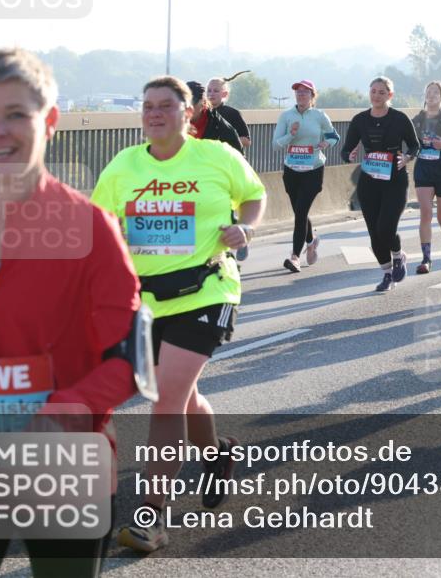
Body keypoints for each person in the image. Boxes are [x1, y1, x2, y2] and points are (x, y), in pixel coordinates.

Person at [0, 49, 142, 577]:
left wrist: (63, 412)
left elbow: (128, 357)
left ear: (49, 121)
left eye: (15, 114)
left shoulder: (92, 228)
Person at [93, 75, 266, 552]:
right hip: (146, 298)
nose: (154, 113)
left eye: (166, 106)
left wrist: (244, 228)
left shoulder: (216, 157)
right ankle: (215, 456)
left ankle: (152, 520)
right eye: (147, 106)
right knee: (182, 394)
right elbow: (100, 225)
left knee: (166, 396)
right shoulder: (123, 166)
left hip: (208, 288)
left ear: (187, 114)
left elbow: (254, 196)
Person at [341, 77, 420, 292]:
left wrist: (407, 157)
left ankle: (398, 255)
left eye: (382, 92)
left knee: (386, 227)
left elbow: (415, 145)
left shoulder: (399, 118)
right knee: (374, 232)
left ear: (390, 95)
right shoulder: (360, 120)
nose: (376, 96)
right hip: (369, 182)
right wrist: (350, 155)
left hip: (395, 179)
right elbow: (345, 150)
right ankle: (386, 274)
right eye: (373, 91)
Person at [272, 79, 340, 272]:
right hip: (292, 170)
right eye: (298, 92)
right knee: (299, 212)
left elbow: (334, 136)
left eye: (305, 92)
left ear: (312, 96)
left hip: (313, 169)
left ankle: (294, 257)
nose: (301, 95)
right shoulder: (286, 116)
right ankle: (311, 241)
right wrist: (290, 135)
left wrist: (327, 144)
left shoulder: (319, 116)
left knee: (301, 212)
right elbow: (276, 145)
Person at [411, 81, 441, 274]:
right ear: (424, 96)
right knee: (425, 213)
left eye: (435, 92)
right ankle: (426, 259)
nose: (431, 95)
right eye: (428, 92)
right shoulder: (417, 120)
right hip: (423, 168)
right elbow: (409, 143)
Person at [186, 81, 243, 154]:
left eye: (192, 102)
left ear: (203, 102)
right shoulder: (173, 125)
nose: (188, 107)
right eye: (183, 103)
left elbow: (239, 159)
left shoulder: (221, 128)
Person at [206, 71, 252, 148]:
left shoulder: (232, 113)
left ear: (225, 94)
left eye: (216, 91)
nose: (211, 94)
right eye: (209, 90)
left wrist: (224, 143)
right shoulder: (201, 113)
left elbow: (247, 141)